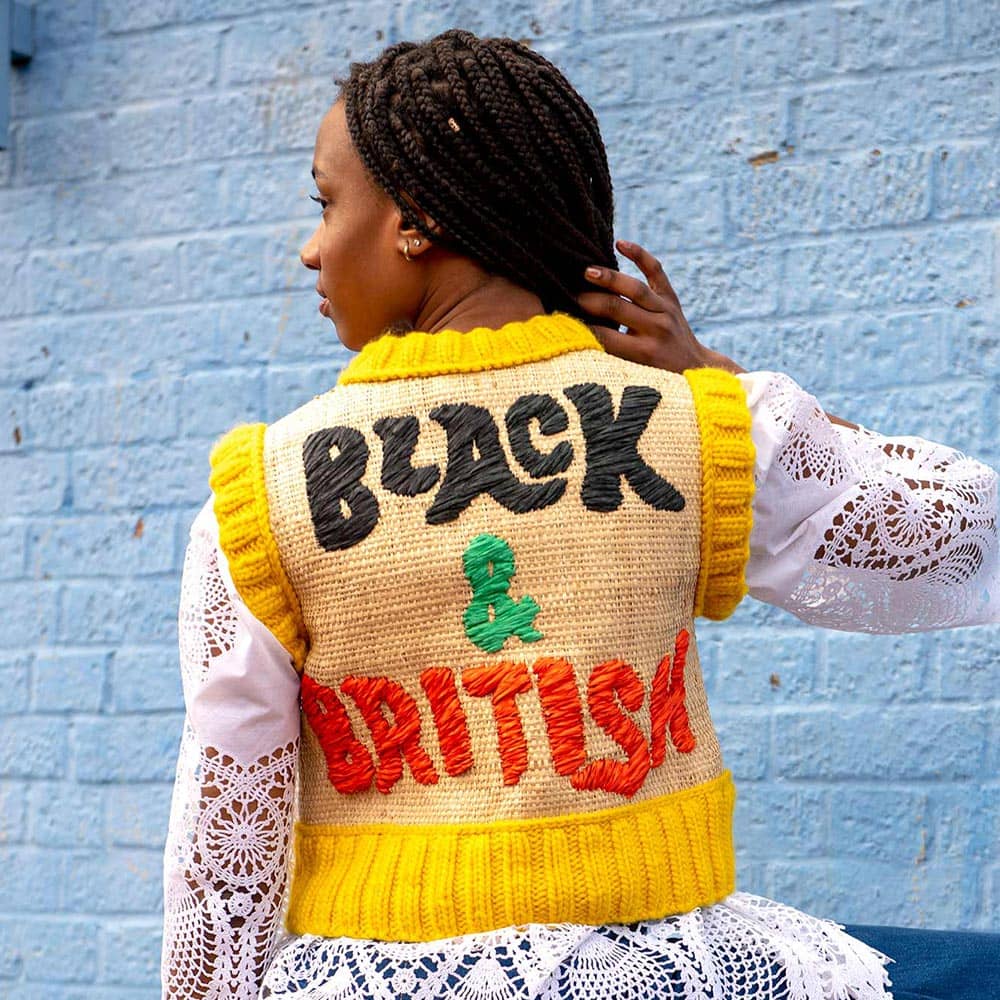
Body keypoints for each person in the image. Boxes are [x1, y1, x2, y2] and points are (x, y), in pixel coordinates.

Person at [159, 28, 999, 1000]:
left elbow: (227, 834)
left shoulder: (265, 489)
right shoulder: (699, 427)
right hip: (665, 970)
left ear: (416, 218)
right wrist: (722, 381)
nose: (310, 247)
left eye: (325, 202)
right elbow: (955, 529)